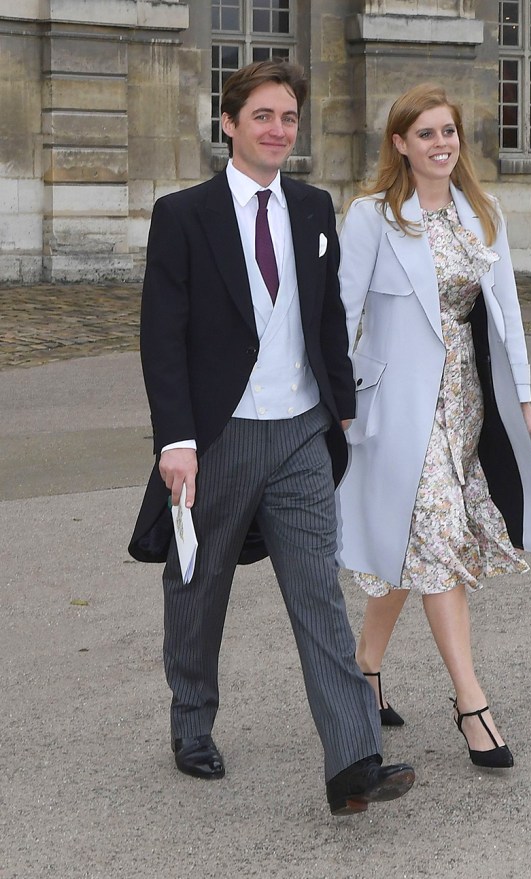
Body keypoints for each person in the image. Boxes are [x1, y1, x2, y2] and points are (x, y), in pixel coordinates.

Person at [128, 59, 415, 814]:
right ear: (228, 124)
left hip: (300, 432)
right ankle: (192, 723)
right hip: (220, 436)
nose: (277, 130)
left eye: (287, 117)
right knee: (198, 586)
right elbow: (163, 337)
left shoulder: (315, 208)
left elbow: (325, 317)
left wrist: (342, 406)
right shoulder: (183, 215)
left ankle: (354, 758)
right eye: (262, 116)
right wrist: (177, 439)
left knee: (319, 592)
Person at [335, 83, 531, 768]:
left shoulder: (481, 216)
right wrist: (335, 399)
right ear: (400, 143)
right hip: (397, 401)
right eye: (425, 133)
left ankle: (365, 664)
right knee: (433, 527)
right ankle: (471, 702)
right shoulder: (372, 216)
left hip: (466, 398)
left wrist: (519, 395)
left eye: (448, 132)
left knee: (416, 537)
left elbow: (507, 311)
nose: (441, 144)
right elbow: (341, 311)